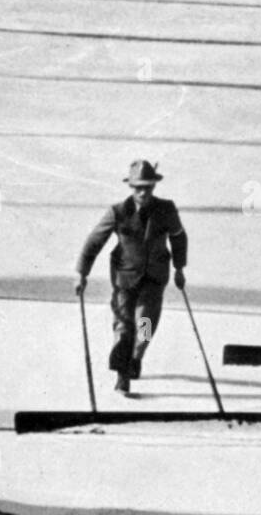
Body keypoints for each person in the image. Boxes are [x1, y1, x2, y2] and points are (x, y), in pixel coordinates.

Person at [76, 161, 187, 395]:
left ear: (154, 186)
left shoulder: (166, 210)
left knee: (145, 324)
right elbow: (94, 241)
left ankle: (137, 355)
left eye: (147, 187)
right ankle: (122, 374)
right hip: (124, 279)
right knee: (124, 327)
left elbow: (178, 237)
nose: (143, 192)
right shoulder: (117, 212)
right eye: (138, 187)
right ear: (131, 187)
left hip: (154, 279)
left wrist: (179, 268)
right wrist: (81, 273)